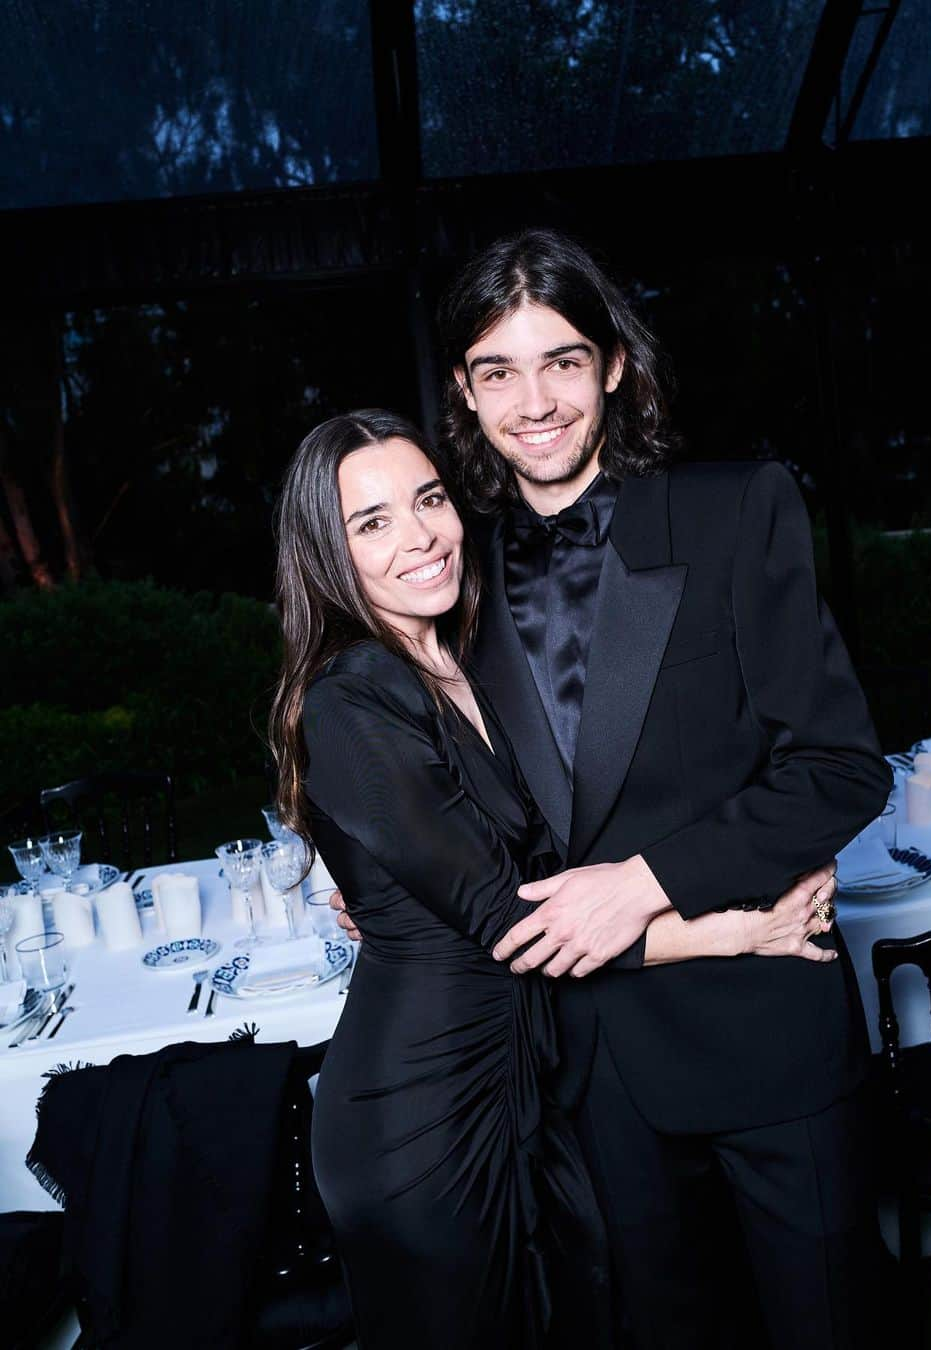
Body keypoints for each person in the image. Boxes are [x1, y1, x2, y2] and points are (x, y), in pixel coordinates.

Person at [331, 231, 894, 1349]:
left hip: (766, 1039)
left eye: (563, 362)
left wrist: (648, 882)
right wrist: (344, 851)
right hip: (585, 1082)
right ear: (464, 391)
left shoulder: (739, 511)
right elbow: (393, 749)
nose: (534, 401)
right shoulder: (450, 566)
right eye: (498, 370)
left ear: (615, 367)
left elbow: (841, 768)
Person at [268, 409, 837, 1350]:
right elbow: (516, 921)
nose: (419, 537)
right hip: (424, 1113)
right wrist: (735, 928)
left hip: (522, 1078)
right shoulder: (353, 694)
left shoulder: (453, 660)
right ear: (325, 555)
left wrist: (395, 892)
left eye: (429, 500)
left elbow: (518, 858)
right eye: (372, 523)